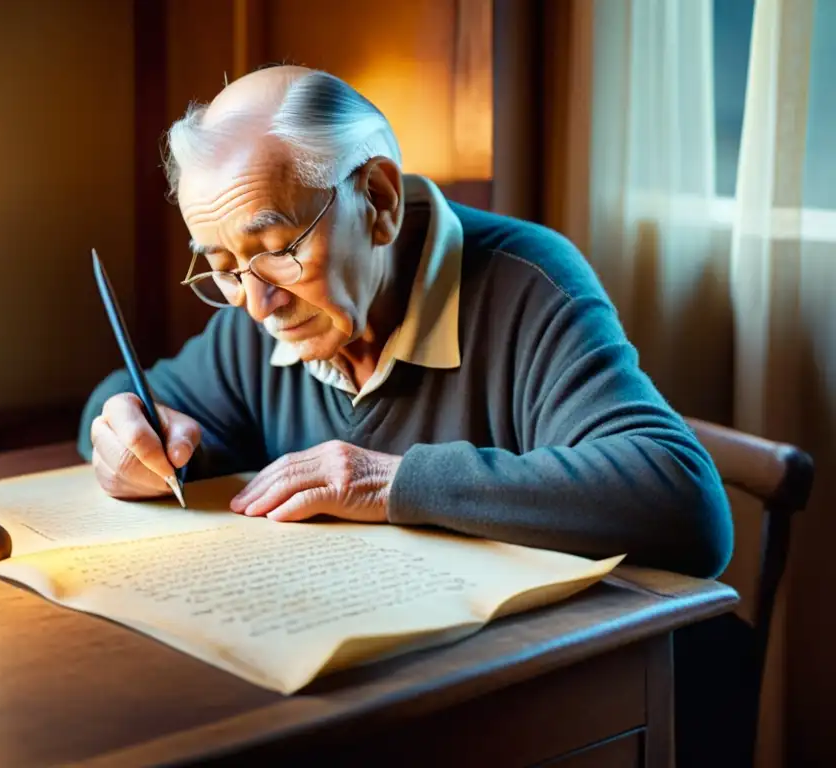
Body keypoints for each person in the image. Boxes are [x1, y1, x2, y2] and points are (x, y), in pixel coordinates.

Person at [77, 65, 733, 579]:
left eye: (278, 249)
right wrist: (127, 432)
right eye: (221, 265)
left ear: (380, 201)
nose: (255, 302)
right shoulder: (263, 308)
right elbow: (130, 404)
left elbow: (685, 504)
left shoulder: (526, 284)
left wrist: (391, 481)